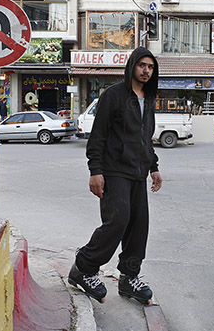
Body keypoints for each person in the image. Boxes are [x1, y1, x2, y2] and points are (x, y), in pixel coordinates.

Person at [68, 47, 162, 306]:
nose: (146, 70)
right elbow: (98, 135)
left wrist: (153, 167)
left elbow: (146, 138)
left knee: (138, 225)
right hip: (113, 170)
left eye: (150, 67)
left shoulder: (149, 98)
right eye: (142, 65)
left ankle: (128, 278)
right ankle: (83, 268)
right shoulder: (113, 95)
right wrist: (95, 171)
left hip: (138, 172)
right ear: (132, 66)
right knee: (118, 220)